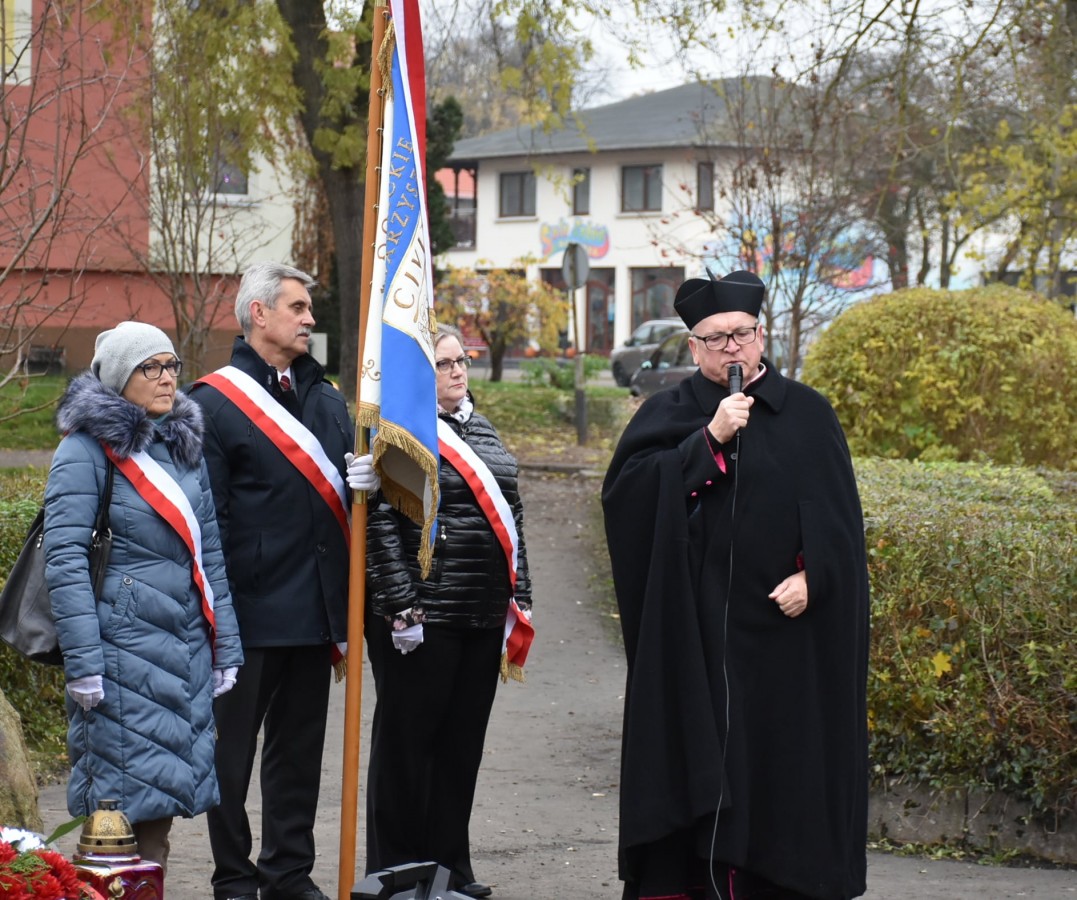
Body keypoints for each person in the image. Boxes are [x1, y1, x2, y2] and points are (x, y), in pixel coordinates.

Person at [602, 271, 869, 900]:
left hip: (785, 649)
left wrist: (816, 576)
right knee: (700, 770)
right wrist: (710, 439)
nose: (731, 349)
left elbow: (841, 529)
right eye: (715, 339)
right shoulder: (666, 414)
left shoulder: (807, 413)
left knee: (778, 779)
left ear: (761, 336)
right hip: (696, 641)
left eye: (741, 335)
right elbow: (629, 503)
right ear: (692, 348)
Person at [189, 262, 378, 900]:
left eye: (309, 308)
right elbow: (204, 519)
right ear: (258, 314)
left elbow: (345, 501)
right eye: (297, 307)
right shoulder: (211, 403)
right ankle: (235, 877)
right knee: (231, 757)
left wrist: (368, 490)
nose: (309, 319)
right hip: (246, 611)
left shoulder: (325, 399)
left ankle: (288, 873)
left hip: (317, 607)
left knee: (297, 757)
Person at [43, 321, 244, 874]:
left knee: (160, 805)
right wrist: (84, 663)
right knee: (116, 818)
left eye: (171, 365)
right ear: (117, 378)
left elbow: (210, 558)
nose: (166, 378)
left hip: (182, 653)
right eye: (149, 367)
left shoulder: (184, 447)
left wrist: (225, 645)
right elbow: (63, 561)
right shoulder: (84, 451)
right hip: (118, 656)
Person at [363, 324, 532, 900]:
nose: (458, 371)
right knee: (408, 748)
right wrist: (400, 606)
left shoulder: (482, 430)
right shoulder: (401, 432)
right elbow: (382, 526)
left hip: (481, 614)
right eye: (443, 363)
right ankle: (397, 871)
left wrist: (521, 592)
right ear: (417, 373)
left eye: (462, 360)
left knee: (461, 748)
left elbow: (513, 521)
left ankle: (449, 868)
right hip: (423, 619)